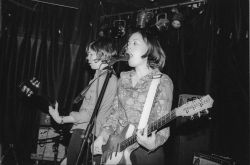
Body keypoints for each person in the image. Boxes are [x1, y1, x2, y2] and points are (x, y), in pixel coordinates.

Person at [93, 28, 173, 165]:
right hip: (116, 147)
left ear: (149, 48)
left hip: (145, 153)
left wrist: (153, 143)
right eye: (128, 44)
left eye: (135, 43)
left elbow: (164, 125)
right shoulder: (123, 78)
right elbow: (115, 113)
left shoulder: (162, 81)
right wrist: (103, 135)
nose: (128, 47)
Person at [48, 37, 118, 165]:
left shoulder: (103, 79)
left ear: (102, 54)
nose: (87, 58)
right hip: (91, 132)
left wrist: (61, 119)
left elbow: (88, 114)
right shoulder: (102, 77)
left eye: (91, 54)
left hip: (86, 132)